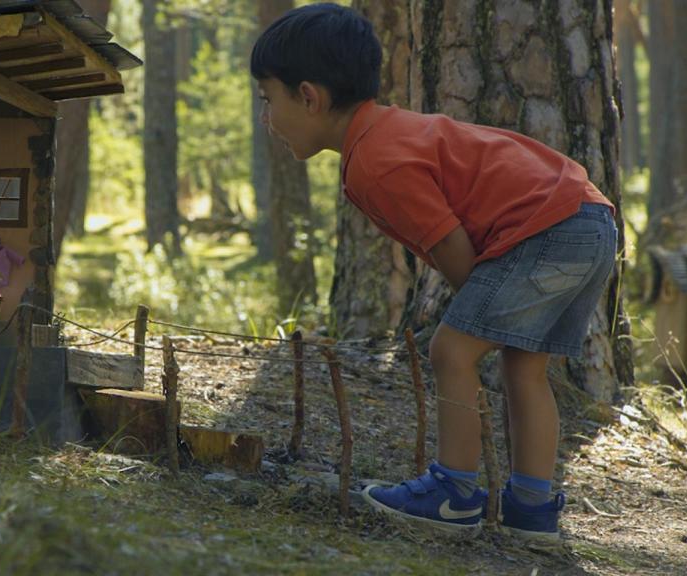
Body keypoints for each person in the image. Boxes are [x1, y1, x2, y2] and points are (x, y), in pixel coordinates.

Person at [251, 4, 617, 543]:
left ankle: (454, 494)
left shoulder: (376, 160)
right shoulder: (389, 133)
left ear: (309, 97)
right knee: (524, 363)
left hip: (548, 226)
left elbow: (451, 247)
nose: (267, 118)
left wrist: (476, 316)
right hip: (588, 219)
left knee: (451, 349)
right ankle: (531, 509)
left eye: (268, 100)